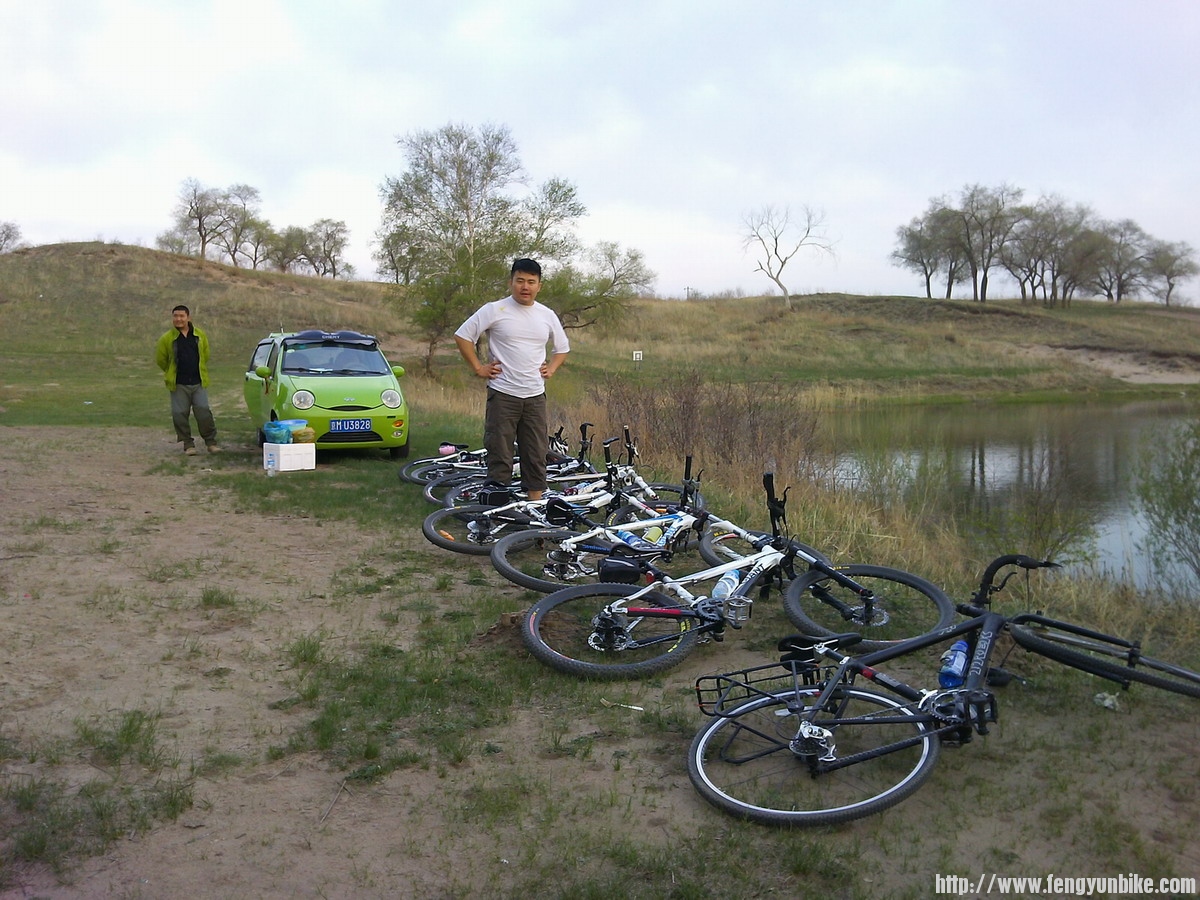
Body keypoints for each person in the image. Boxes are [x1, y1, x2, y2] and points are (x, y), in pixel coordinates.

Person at [454, 258, 569, 500]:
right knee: (500, 451)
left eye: (531, 282)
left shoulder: (546, 315)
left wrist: (553, 368)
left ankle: (534, 509)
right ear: (511, 282)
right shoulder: (494, 309)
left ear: (539, 285)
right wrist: (478, 367)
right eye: (520, 281)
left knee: (536, 452)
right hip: (503, 394)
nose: (525, 287)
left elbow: (562, 348)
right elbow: (463, 336)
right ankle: (496, 512)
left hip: (534, 395)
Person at [155, 304, 219, 455]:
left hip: (198, 382)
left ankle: (211, 442)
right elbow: (161, 360)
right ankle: (188, 444)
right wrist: (171, 372)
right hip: (178, 384)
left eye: (181, 316)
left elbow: (206, 354)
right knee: (179, 414)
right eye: (175, 316)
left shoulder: (200, 335)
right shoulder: (167, 338)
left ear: (188, 318)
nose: (178, 319)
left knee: (203, 411)